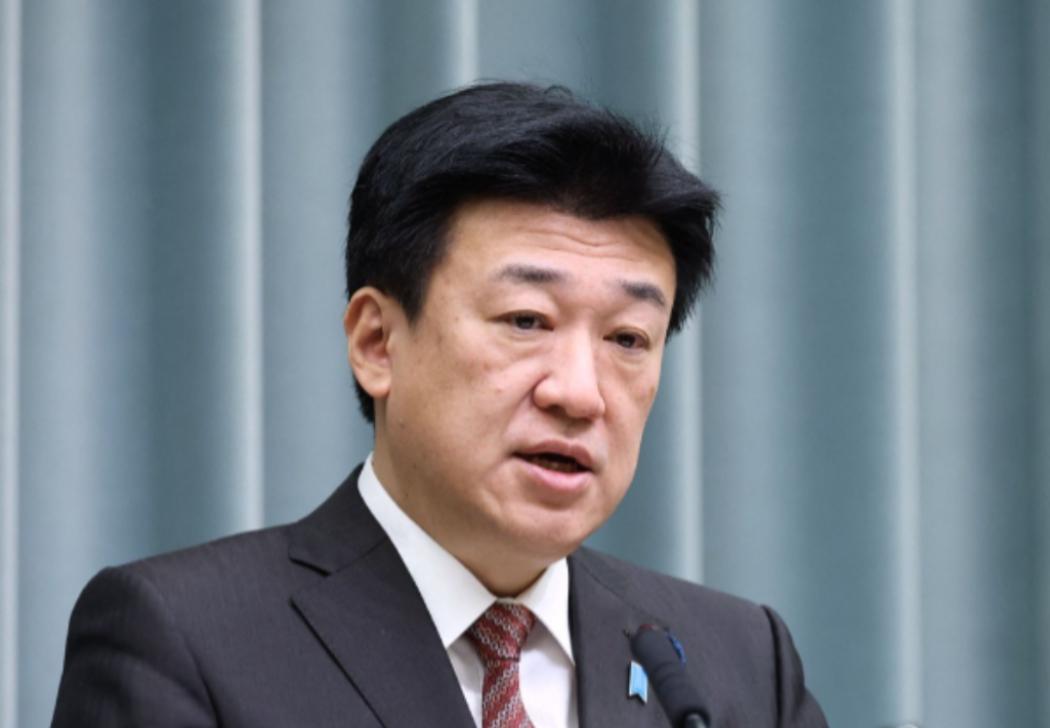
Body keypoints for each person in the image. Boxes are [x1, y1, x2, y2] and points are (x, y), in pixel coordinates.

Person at [52, 82, 828, 727]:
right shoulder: (186, 637)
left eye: (627, 338)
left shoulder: (734, 664)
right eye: (526, 321)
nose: (579, 393)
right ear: (377, 343)